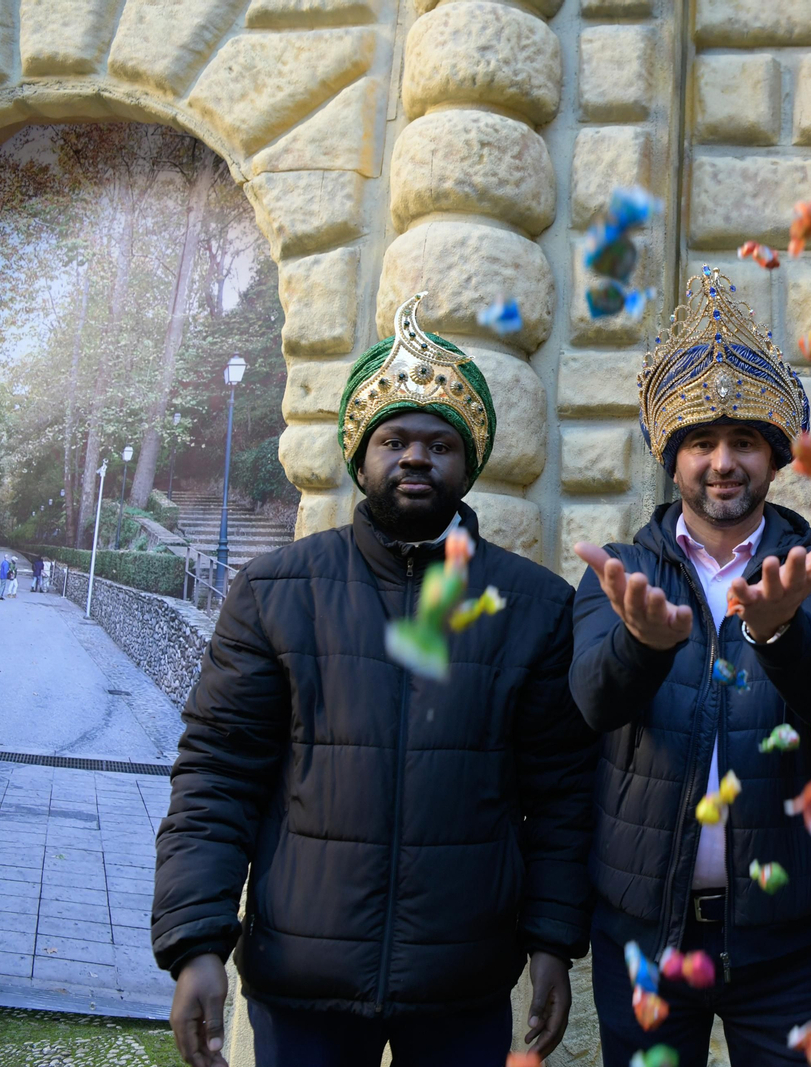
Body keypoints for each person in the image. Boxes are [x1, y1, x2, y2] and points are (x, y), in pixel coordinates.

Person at [152, 293, 599, 1067]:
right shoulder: (275, 592)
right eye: (393, 439)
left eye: (439, 442)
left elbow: (561, 793)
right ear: (360, 457)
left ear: (470, 461)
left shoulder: (535, 609)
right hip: (303, 988)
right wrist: (197, 945)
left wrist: (553, 941)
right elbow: (217, 777)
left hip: (464, 987)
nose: (417, 457)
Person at [570, 267, 811, 1066]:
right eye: (702, 441)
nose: (723, 461)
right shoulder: (624, 572)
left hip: (788, 944)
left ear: (775, 457)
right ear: (673, 459)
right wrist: (642, 644)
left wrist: (779, 632)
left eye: (744, 442)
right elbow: (591, 702)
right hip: (646, 937)